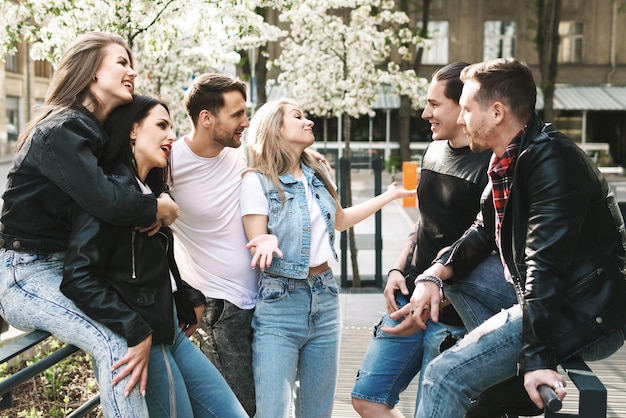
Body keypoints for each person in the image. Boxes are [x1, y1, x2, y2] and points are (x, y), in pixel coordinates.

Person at [388, 58, 626, 418]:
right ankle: (503, 380)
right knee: (451, 276)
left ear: (496, 112)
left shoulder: (552, 163)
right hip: (546, 295)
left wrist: (537, 360)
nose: (462, 119)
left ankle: (508, 375)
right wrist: (434, 274)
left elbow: (544, 266)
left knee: (443, 375)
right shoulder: (508, 159)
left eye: (467, 109)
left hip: (586, 309)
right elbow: (482, 230)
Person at [0, 32, 178, 417]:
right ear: (92, 73)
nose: (132, 71)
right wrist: (158, 207)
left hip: (56, 266)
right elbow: (109, 202)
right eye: (121, 63)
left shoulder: (90, 133)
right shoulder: (62, 129)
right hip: (26, 274)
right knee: (117, 338)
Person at [60, 95, 248, 418]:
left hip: (171, 330)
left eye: (171, 127)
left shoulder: (151, 193)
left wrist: (188, 295)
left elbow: (152, 264)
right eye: (161, 125)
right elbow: (78, 275)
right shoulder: (113, 192)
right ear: (133, 130)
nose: (172, 136)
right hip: (145, 336)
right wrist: (134, 327)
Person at [351, 62, 514, 418]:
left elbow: (489, 243)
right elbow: (424, 222)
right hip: (411, 295)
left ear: (464, 107)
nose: (426, 113)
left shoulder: (494, 165)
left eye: (435, 104)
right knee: (367, 398)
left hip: (453, 315)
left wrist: (437, 286)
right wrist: (398, 266)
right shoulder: (434, 150)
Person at [240, 98, 416, 418]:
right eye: (298, 117)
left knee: (317, 412)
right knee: (272, 411)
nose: (308, 122)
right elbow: (256, 236)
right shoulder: (256, 181)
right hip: (280, 302)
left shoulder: (317, 174)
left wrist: (389, 195)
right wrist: (264, 239)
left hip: (326, 297)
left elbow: (341, 220)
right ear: (276, 129)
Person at [168, 72, 258, 415]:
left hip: (260, 302)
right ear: (207, 118)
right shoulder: (170, 164)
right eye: (237, 114)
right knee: (241, 411)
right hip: (219, 308)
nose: (245, 122)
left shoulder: (237, 154)